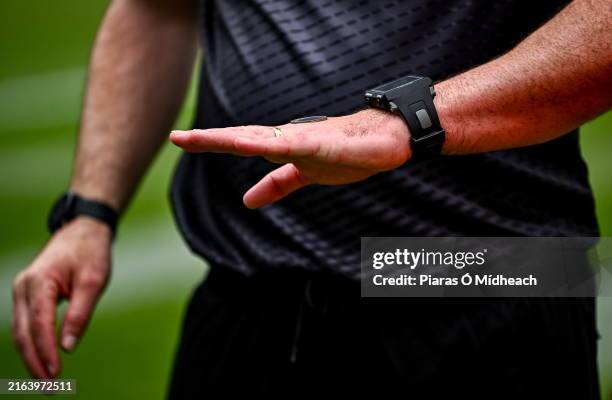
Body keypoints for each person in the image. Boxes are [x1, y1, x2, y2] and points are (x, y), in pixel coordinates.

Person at [12, 0, 611, 397]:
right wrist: (88, 212)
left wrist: (411, 120)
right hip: (250, 294)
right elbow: (158, 10)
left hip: (488, 285)